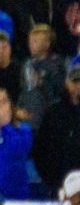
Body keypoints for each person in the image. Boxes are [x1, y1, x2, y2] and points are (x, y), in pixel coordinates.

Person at [32, 56, 80, 195]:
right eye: (75, 82)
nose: (78, 86)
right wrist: (52, 181)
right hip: (59, 187)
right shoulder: (53, 113)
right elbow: (40, 150)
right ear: (67, 82)